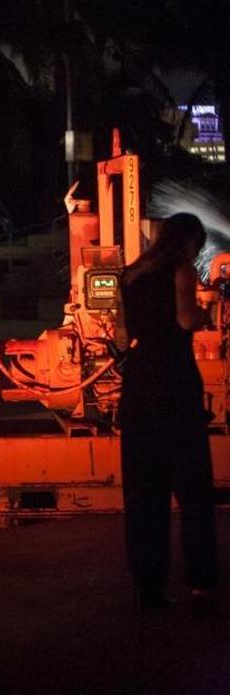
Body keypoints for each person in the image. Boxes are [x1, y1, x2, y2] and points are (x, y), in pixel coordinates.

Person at [119, 212, 218, 615]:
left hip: (139, 388)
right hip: (175, 386)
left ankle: (149, 589)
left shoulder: (130, 273)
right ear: (189, 241)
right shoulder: (182, 271)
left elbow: (121, 335)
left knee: (144, 497)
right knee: (194, 493)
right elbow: (184, 318)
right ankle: (201, 585)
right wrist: (205, 315)